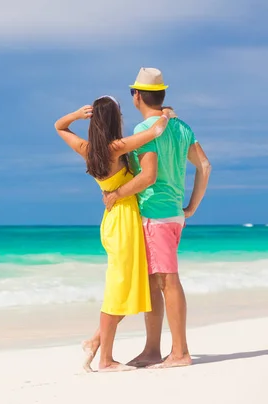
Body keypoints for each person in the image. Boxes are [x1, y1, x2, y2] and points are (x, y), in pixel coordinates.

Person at [54, 95, 175, 372]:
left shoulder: (87, 148)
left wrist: (74, 114)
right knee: (118, 289)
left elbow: (59, 127)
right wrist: (166, 113)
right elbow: (155, 131)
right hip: (123, 219)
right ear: (114, 119)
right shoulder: (115, 147)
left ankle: (97, 341)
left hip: (112, 220)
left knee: (126, 285)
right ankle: (105, 359)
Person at [103, 68, 212, 368]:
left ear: (137, 95)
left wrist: (117, 194)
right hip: (174, 215)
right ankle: (153, 350)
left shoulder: (146, 129)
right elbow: (205, 166)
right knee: (154, 283)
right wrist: (190, 207)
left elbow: (148, 177)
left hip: (155, 215)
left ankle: (179, 353)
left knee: (167, 281)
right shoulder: (181, 127)